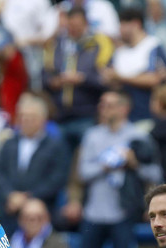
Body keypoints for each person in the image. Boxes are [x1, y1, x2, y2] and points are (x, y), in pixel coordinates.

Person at [77, 90, 162, 248]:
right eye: (102, 105)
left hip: (122, 211)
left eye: (110, 105)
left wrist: (134, 164)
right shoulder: (92, 136)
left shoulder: (138, 136)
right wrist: (104, 167)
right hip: (95, 211)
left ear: (124, 109)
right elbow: (83, 172)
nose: (104, 109)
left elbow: (155, 173)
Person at [0, 93, 72, 233]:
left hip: (40, 212)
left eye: (30, 117)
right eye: (22, 116)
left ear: (42, 120)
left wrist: (27, 198)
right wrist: (9, 195)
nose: (25, 120)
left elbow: (57, 178)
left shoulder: (55, 145)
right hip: (8, 210)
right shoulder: (9, 143)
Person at [43, 5, 115, 154]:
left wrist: (83, 79)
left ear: (86, 24)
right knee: (58, 160)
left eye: (77, 26)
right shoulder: (57, 44)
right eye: (70, 26)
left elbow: (107, 80)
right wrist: (54, 81)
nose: (73, 29)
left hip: (87, 114)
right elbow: (44, 74)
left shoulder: (99, 44)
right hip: (60, 115)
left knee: (86, 159)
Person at [104, 7, 166, 122]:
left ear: (136, 24)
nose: (119, 30)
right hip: (123, 119)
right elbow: (108, 78)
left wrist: (121, 77)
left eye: (123, 25)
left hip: (147, 115)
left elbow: (155, 79)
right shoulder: (120, 51)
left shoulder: (153, 45)